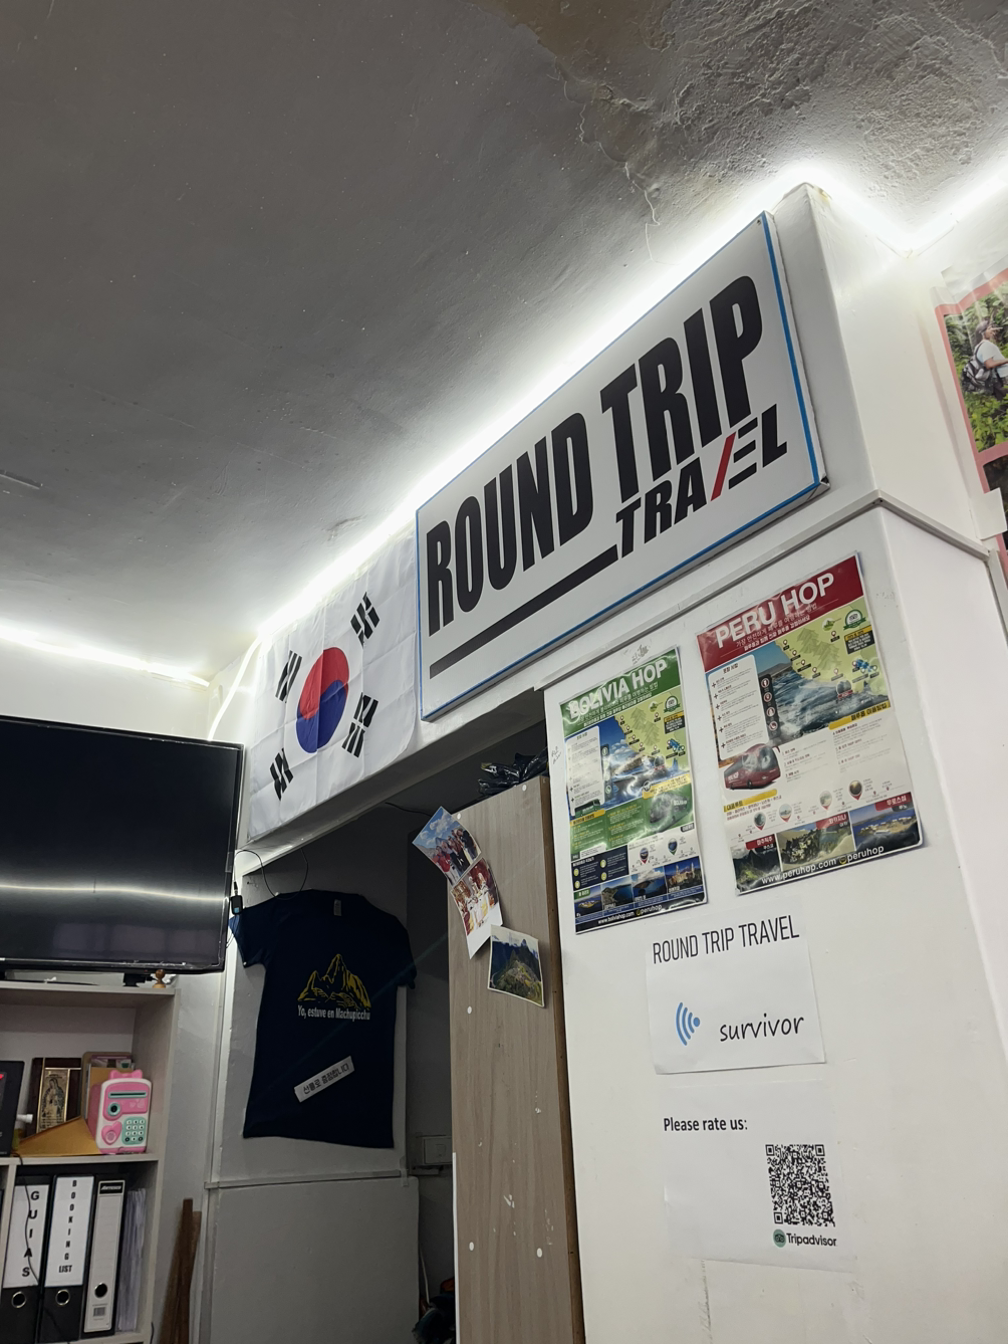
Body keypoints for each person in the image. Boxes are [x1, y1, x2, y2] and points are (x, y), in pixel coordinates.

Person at [972, 318, 1008, 385]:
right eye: (989, 328)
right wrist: (1006, 360)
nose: (992, 330)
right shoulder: (986, 345)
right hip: (1004, 376)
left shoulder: (977, 347)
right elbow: (989, 364)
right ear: (982, 333)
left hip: (997, 377)